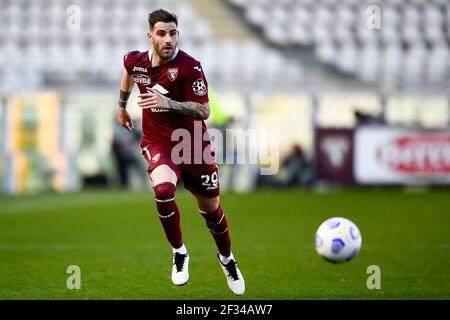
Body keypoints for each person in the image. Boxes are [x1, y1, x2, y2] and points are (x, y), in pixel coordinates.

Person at [115, 9, 244, 295]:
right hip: (158, 142)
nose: (168, 39)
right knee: (163, 190)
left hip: (192, 145)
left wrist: (168, 102)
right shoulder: (135, 60)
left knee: (211, 211)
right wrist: (122, 106)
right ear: (151, 36)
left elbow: (204, 110)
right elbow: (128, 72)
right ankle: (179, 252)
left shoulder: (190, 67)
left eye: (173, 33)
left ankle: (227, 259)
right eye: (162, 33)